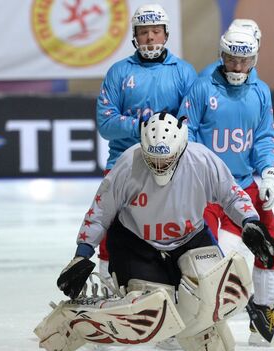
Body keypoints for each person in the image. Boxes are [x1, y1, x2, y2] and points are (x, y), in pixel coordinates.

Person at [36, 112, 274, 351]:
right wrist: (82, 254)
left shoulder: (202, 160)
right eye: (153, 159)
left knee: (211, 341)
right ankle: (77, 317)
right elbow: (100, 212)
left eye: (167, 159)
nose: (160, 165)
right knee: (149, 309)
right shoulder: (128, 163)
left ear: (182, 147)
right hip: (136, 243)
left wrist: (250, 222)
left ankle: (185, 323)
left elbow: (231, 195)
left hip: (190, 237)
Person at [178, 27, 274, 345]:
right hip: (205, 188)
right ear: (222, 56)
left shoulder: (261, 91)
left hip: (244, 186)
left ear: (254, 59)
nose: (237, 67)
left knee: (273, 245)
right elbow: (186, 134)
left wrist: (269, 171)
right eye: (231, 59)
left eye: (244, 61)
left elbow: (262, 138)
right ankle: (193, 320)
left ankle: (262, 316)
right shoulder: (202, 86)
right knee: (203, 254)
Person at [95, 3, 197, 281]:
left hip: (171, 167)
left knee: (174, 230)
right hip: (123, 165)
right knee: (110, 232)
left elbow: (192, 122)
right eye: (143, 32)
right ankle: (108, 289)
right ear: (134, 36)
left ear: (166, 34)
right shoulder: (118, 72)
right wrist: (145, 128)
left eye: (155, 31)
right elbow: (106, 124)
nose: (150, 38)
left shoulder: (184, 72)